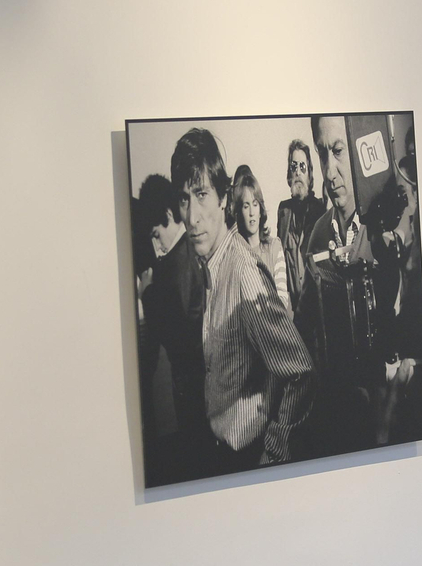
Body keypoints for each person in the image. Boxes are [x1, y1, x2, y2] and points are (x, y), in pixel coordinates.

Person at [171, 128, 313, 474]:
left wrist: (274, 455)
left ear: (223, 197)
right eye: (184, 198)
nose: (191, 216)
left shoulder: (243, 272)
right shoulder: (209, 266)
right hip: (222, 452)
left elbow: (300, 373)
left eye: (202, 194)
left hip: (250, 457)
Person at [299, 116, 422, 454]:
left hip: (392, 425)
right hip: (340, 426)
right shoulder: (317, 236)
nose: (328, 170)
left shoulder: (394, 230)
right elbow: (304, 328)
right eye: (322, 154)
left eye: (337, 151)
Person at [134, 172, 207, 484]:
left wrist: (147, 292)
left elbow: (175, 335)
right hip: (194, 380)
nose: (155, 243)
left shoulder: (178, 262)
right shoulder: (184, 253)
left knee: (197, 460)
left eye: (155, 234)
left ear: (167, 216)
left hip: (191, 381)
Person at [229, 164, 289, 309]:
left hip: (277, 326)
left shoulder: (274, 247)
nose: (251, 212)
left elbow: (282, 298)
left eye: (255, 205)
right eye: (246, 206)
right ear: (239, 212)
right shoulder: (235, 254)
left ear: (260, 209)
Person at [276, 139, 326, 310]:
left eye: (302, 167)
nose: (298, 172)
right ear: (289, 175)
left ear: (309, 174)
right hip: (292, 310)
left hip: (316, 305)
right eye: (293, 167)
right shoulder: (283, 211)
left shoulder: (320, 210)